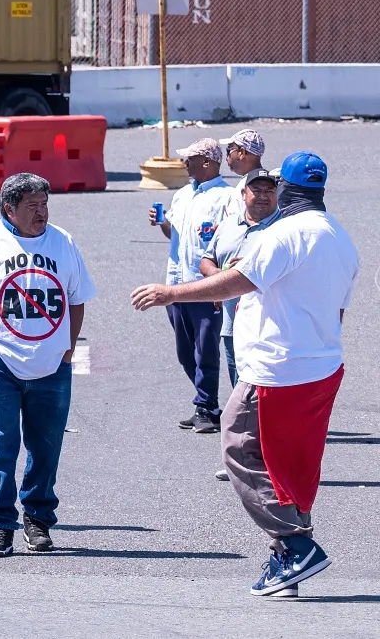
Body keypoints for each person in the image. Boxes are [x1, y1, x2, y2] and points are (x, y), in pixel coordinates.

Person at [131, 152, 360, 599]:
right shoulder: (340, 237)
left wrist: (170, 293)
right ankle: (287, 561)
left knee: (239, 448)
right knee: (289, 465)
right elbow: (338, 311)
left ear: (289, 191)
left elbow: (238, 281)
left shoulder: (286, 233)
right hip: (321, 368)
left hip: (276, 370)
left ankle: (296, 544)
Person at [0, 171, 95, 558]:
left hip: (53, 365)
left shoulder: (63, 242)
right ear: (9, 209)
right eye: (32, 206)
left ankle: (38, 519)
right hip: (1, 364)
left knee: (46, 449)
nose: (41, 212)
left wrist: (68, 348)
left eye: (44, 204)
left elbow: (77, 299)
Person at [150, 137, 230, 434]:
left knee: (206, 349)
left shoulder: (227, 197)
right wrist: (161, 222)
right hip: (176, 284)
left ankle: (207, 407)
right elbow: (174, 234)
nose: (184, 163)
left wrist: (224, 285)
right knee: (186, 352)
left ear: (207, 162)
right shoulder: (183, 195)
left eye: (190, 159)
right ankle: (206, 403)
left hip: (207, 287)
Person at [203, 167, 282, 397]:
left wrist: (252, 264)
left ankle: (261, 430)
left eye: (269, 190)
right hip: (231, 322)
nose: (263, 196)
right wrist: (217, 276)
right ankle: (250, 429)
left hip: (267, 324)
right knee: (239, 384)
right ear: (243, 194)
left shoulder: (284, 228)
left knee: (264, 385)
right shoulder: (228, 225)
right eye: (256, 190)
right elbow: (207, 259)